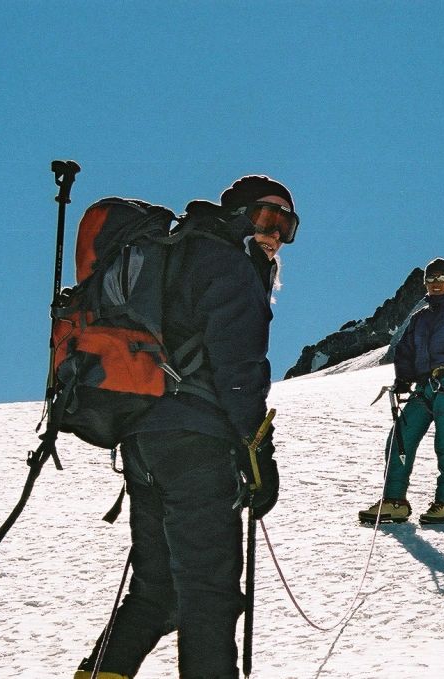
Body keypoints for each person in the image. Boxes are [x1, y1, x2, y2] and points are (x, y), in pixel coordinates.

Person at [76, 175, 298, 679]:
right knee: (209, 593)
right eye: (268, 219)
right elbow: (239, 371)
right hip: (197, 444)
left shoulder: (179, 252)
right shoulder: (231, 266)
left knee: (157, 589)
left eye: (287, 226)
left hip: (142, 441)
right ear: (240, 215)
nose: (275, 236)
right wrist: (258, 452)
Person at [358, 257, 444, 525]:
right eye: (430, 280)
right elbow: (405, 350)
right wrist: (402, 380)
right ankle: (394, 501)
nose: (435, 284)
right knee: (400, 438)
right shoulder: (420, 318)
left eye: (441, 279)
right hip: (424, 388)